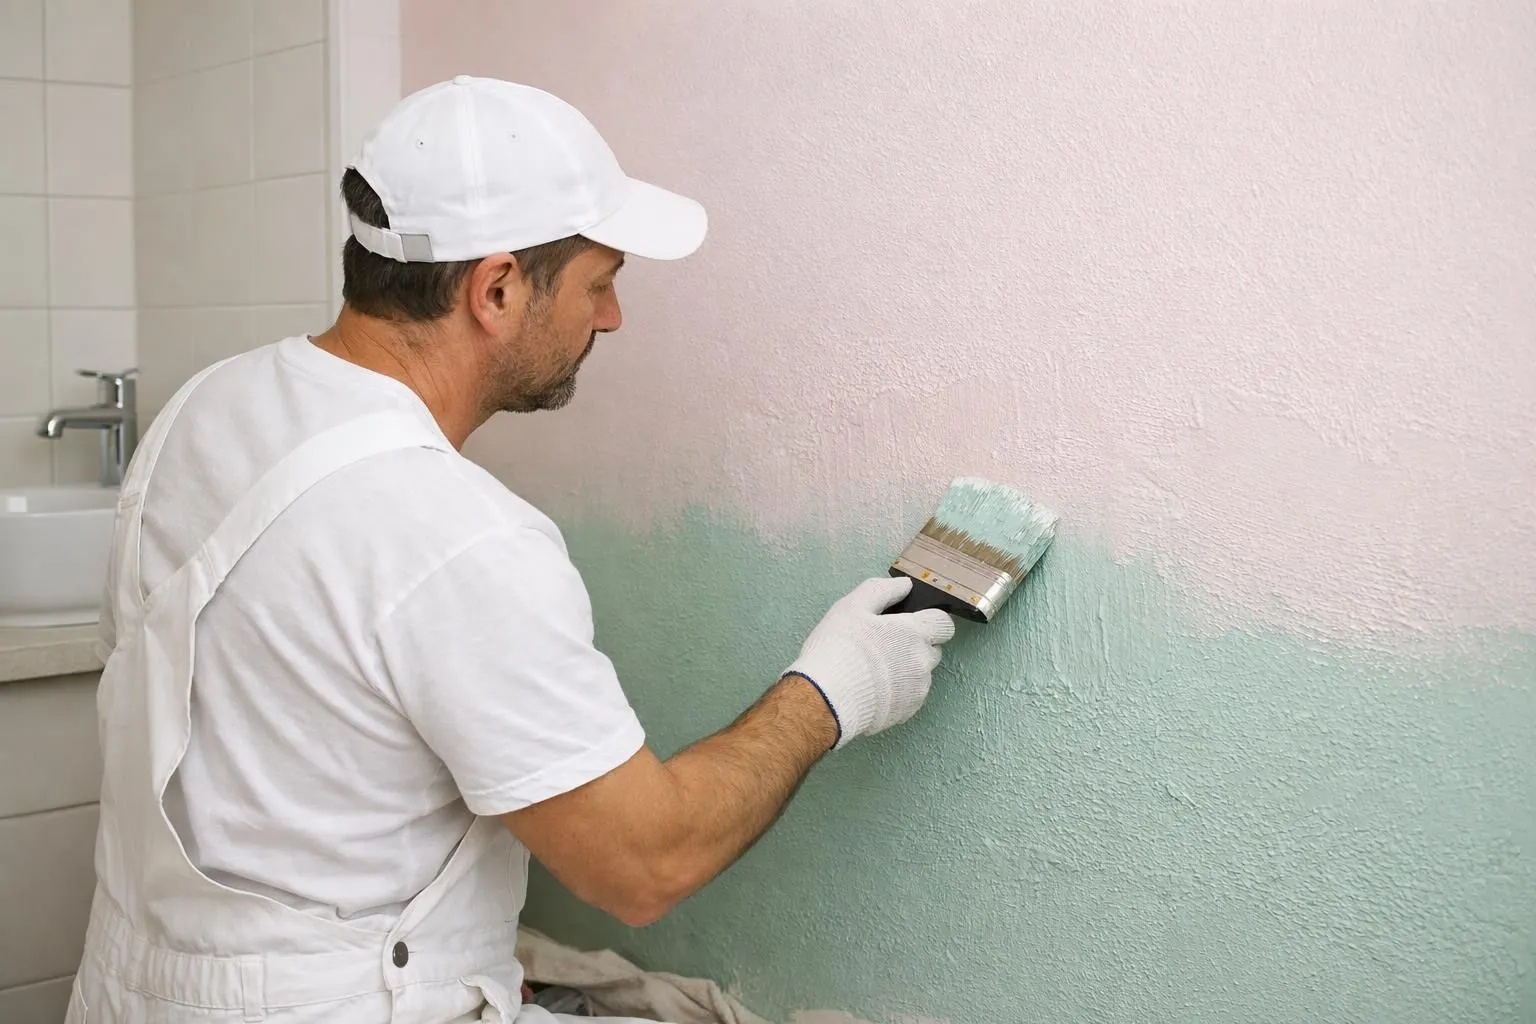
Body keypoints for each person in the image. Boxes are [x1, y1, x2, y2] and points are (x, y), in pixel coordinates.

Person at [69, 76, 955, 1024]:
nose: (611, 317)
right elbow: (643, 864)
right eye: (599, 284)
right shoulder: (457, 534)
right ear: (494, 290)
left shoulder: (205, 406)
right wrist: (833, 690)